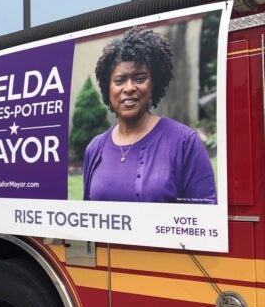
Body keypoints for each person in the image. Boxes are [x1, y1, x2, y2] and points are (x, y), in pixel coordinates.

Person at [83, 25, 217, 204]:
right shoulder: (95, 148)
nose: (129, 88)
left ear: (153, 84)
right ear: (108, 89)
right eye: (120, 80)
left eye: (139, 78)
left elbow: (203, 218)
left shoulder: (185, 142)